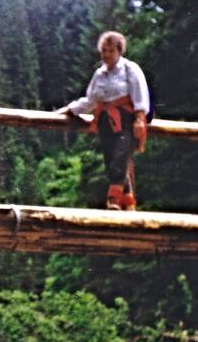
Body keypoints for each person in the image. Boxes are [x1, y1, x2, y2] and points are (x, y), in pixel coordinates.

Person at [56, 31, 150, 211]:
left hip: (127, 119)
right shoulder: (99, 74)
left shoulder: (130, 69)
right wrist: (71, 109)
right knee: (110, 160)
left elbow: (140, 95)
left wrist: (140, 118)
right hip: (105, 120)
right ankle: (128, 201)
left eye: (110, 51)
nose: (106, 55)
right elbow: (90, 100)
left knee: (120, 157)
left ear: (120, 51)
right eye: (104, 51)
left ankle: (113, 199)